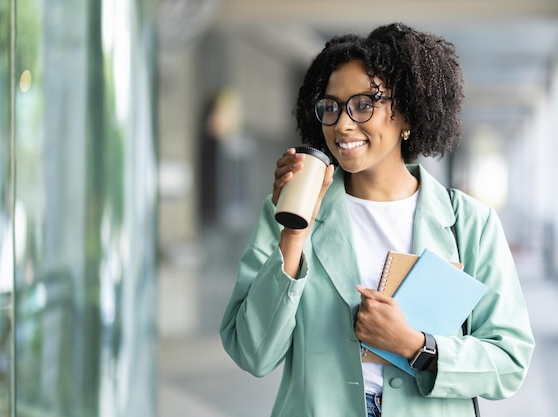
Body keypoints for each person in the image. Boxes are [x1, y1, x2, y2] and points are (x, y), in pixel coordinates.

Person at [220, 22, 535, 417]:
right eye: (331, 106)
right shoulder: (287, 215)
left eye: (364, 104)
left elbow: (509, 361)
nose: (343, 123)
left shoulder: (469, 224)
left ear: (405, 113)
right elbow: (253, 354)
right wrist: (293, 237)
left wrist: (415, 346)